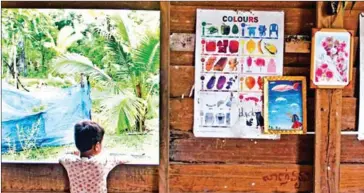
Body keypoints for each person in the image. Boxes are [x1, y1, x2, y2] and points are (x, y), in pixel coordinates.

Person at [59, 120, 128, 193]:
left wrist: (74, 153)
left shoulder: (70, 162)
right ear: (97, 146)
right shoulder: (102, 162)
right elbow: (126, 159)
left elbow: (61, 157)